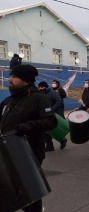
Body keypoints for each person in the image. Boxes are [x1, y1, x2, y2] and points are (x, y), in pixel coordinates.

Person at [0, 64, 57, 212]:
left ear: (26, 80)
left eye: (14, 76)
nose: (9, 79)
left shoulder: (38, 99)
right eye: (10, 76)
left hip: (28, 152)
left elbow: (51, 121)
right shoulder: (9, 100)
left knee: (29, 191)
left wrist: (29, 126)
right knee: (9, 188)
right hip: (7, 151)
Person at [37, 81, 64, 151]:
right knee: (45, 131)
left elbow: (59, 102)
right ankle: (49, 146)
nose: (40, 89)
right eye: (39, 87)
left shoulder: (53, 93)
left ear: (45, 87)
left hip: (54, 114)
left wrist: (52, 109)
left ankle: (62, 140)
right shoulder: (41, 94)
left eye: (41, 87)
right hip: (45, 115)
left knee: (55, 130)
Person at [51, 79, 68, 146]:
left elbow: (64, 95)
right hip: (53, 108)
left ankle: (62, 137)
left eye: (54, 83)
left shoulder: (60, 89)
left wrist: (58, 92)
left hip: (59, 108)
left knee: (60, 121)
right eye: (53, 83)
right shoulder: (51, 90)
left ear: (58, 84)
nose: (53, 84)